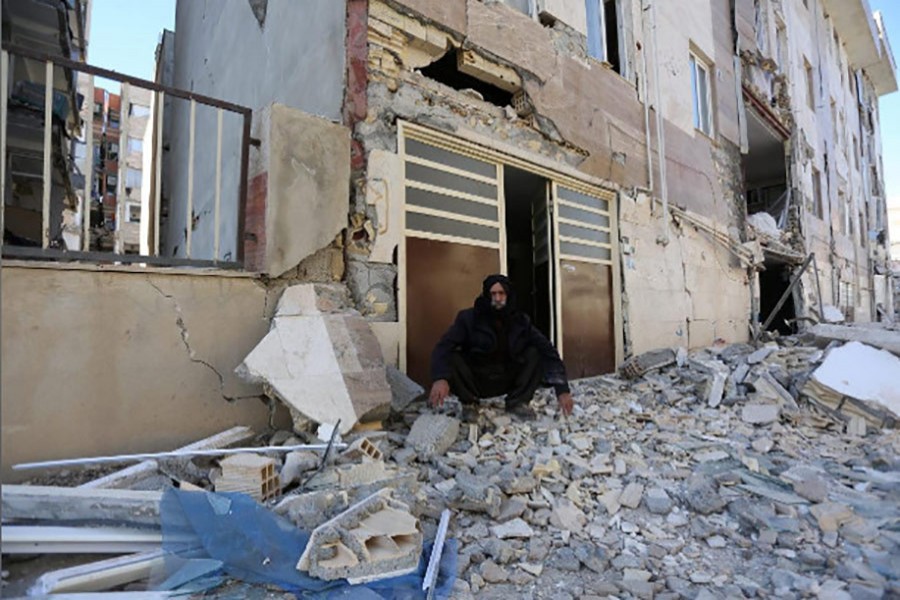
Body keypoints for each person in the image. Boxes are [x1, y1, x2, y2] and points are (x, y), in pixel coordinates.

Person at [428, 273, 574, 418]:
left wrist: (562, 390)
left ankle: (517, 403)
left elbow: (548, 351)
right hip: (477, 379)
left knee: (535, 353)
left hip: (507, 377)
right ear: (486, 295)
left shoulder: (521, 321)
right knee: (453, 357)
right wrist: (440, 378)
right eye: (493, 294)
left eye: (501, 293)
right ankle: (469, 404)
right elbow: (443, 347)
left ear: (508, 295)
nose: (497, 298)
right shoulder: (468, 319)